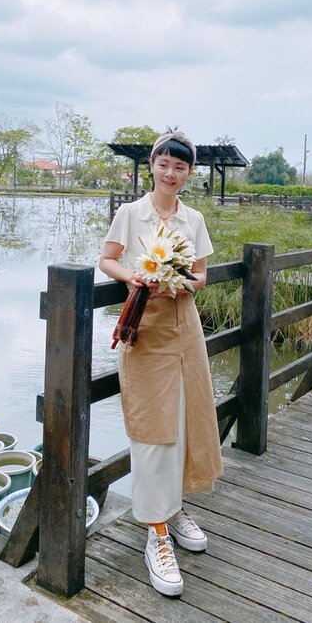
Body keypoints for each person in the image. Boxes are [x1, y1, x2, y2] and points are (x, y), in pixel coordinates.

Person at [99, 129, 223, 597]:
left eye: (181, 167)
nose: (171, 173)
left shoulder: (193, 217)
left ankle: (174, 506)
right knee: (152, 426)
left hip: (185, 328)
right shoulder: (131, 214)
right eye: (164, 164)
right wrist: (133, 274)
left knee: (187, 416)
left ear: (190, 173)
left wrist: (183, 282)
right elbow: (106, 260)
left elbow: (202, 275)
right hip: (144, 327)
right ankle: (155, 531)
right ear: (152, 164)